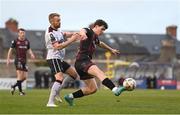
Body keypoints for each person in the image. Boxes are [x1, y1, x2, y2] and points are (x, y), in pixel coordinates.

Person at [64, 19, 127, 106]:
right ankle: (115, 89)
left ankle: (70, 97)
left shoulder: (95, 37)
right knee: (99, 72)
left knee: (92, 89)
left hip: (81, 63)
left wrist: (111, 49)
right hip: (83, 60)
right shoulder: (89, 31)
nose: (103, 32)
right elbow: (83, 30)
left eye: (104, 30)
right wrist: (82, 34)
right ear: (96, 26)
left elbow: (100, 43)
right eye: (102, 29)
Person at [45, 13, 82, 107]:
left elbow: (64, 34)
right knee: (59, 78)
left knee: (74, 75)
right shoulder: (50, 33)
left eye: (60, 20)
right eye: (57, 20)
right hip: (53, 58)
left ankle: (58, 91)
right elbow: (57, 47)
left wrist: (75, 33)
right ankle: (50, 102)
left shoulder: (58, 30)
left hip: (59, 59)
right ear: (52, 21)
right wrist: (72, 40)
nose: (59, 22)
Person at [7, 28, 35, 95]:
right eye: (21, 33)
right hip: (18, 60)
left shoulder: (26, 41)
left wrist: (31, 54)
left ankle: (13, 86)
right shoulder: (15, 41)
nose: (23, 34)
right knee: (20, 75)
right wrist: (8, 58)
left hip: (24, 61)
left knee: (24, 77)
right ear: (19, 34)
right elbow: (10, 50)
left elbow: (29, 49)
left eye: (23, 33)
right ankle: (20, 92)